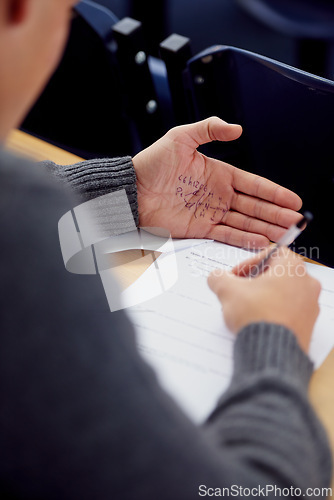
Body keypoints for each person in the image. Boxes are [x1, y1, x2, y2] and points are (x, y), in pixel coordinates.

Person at [0, 1, 331, 499]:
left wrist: (130, 193)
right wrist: (274, 336)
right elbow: (253, 491)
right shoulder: (20, 241)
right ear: (19, 10)